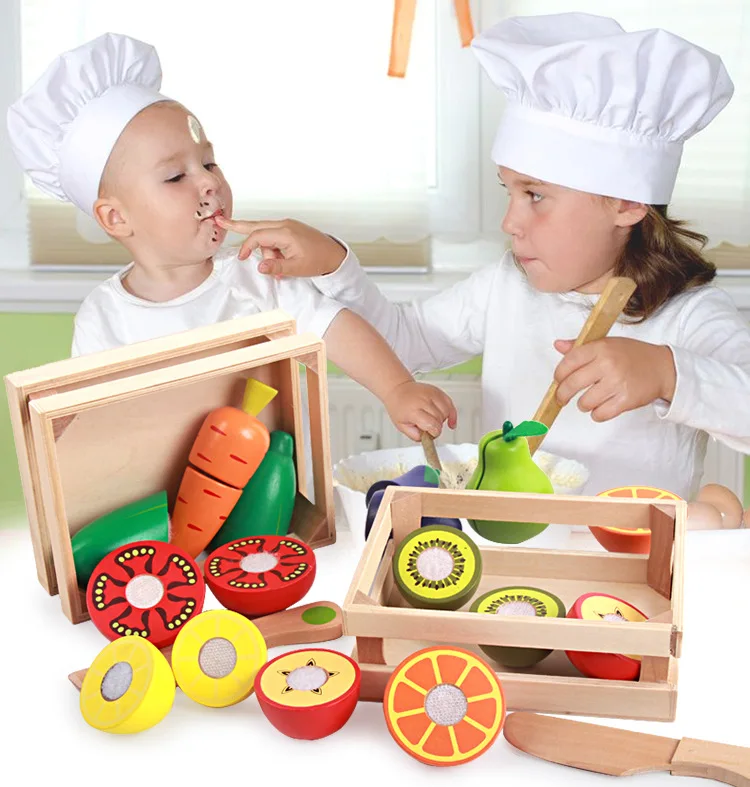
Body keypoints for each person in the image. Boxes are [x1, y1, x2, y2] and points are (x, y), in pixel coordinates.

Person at [217, 13, 750, 500]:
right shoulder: (506, 285)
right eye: (509, 191)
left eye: (535, 195)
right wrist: (333, 264)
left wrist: (667, 373)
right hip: (511, 544)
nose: (510, 222)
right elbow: (403, 343)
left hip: (629, 562)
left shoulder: (690, 313)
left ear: (627, 203)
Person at [6, 32, 456, 442]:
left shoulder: (253, 274)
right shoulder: (102, 318)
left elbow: (334, 326)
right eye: (176, 176)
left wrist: (396, 387)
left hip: (275, 490)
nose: (208, 181)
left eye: (209, 163)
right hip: (159, 502)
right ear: (116, 218)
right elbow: (88, 429)